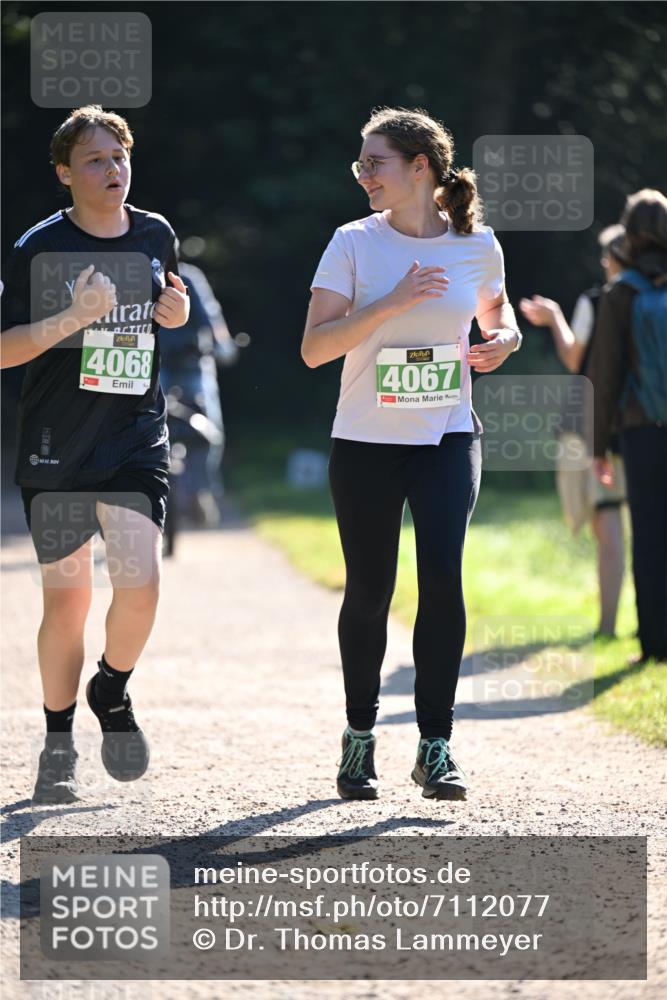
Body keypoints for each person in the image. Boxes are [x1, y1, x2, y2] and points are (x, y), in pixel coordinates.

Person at [302, 107, 521, 801]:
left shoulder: (477, 245)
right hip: (365, 441)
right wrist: (391, 303)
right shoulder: (351, 243)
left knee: (442, 583)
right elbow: (314, 349)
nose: (362, 175)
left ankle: (436, 745)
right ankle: (359, 736)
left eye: (375, 163)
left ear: (419, 168)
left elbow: (497, 314)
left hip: (446, 436)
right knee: (369, 592)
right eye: (360, 164)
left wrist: (504, 341)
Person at [0, 105, 189, 803]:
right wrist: (71, 319)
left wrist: (179, 311)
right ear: (63, 173)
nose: (113, 170)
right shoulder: (37, 250)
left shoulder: (154, 233)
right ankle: (56, 745)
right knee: (68, 601)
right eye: (95, 161)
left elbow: (173, 302)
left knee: (140, 584)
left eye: (120, 156)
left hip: (133, 434)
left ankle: (110, 685)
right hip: (56, 444)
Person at [519, 226, 629, 637]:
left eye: (607, 256)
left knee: (606, 520)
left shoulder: (597, 302)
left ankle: (607, 626)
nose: (603, 263)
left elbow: (572, 358)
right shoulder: (655, 298)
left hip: (593, 426)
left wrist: (554, 319)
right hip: (642, 423)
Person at [586, 189, 667, 665]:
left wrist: (598, 445)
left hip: (641, 431)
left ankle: (655, 644)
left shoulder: (622, 292)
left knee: (650, 534)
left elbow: (604, 375)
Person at [159, 259, 237, 525]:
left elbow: (211, 319)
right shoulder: (138, 277)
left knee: (207, 429)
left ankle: (201, 491)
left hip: (192, 363)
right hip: (155, 364)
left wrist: (223, 346)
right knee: (142, 423)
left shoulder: (189, 277)